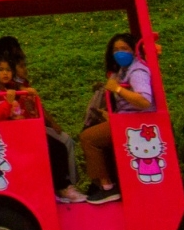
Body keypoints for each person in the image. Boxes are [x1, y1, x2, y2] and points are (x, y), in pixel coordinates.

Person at [64, 32, 154, 205]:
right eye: (116, 50)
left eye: (124, 49)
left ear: (134, 50)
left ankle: (106, 187)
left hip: (135, 122)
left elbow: (144, 100)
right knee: (92, 129)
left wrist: (118, 89)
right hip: (125, 119)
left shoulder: (137, 71)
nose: (120, 53)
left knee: (88, 138)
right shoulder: (123, 70)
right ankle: (100, 182)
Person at [0, 34, 78, 191]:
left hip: (31, 123)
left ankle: (69, 183)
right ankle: (65, 186)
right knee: (60, 145)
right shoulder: (4, 84)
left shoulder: (17, 83)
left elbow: (35, 105)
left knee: (65, 142)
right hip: (24, 127)